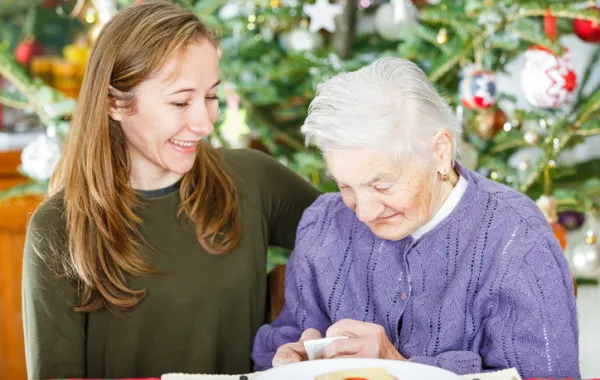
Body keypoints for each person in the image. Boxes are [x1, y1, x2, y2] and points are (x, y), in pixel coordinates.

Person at [22, 2, 319, 379]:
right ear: (115, 103)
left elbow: (364, 243)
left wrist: (313, 331)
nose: (204, 123)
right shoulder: (58, 228)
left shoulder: (254, 180)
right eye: (180, 102)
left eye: (211, 97)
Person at [252, 57, 580, 378]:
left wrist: (398, 366)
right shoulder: (322, 223)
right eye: (344, 186)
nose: (364, 212)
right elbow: (280, 344)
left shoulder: (516, 238)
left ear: (440, 152)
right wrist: (288, 357)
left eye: (382, 184)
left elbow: (547, 375)